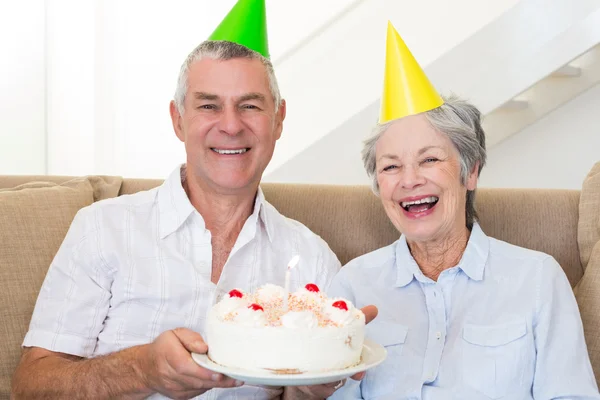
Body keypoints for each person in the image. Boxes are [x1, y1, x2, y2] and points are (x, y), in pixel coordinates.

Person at [11, 1, 375, 399]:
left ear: (279, 119)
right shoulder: (102, 229)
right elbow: (30, 387)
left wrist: (314, 386)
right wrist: (141, 369)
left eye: (250, 106)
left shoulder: (311, 258)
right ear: (178, 119)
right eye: (208, 105)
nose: (231, 125)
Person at [328, 22, 600, 399]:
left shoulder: (537, 279)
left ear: (470, 171)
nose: (409, 180)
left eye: (429, 159)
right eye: (391, 167)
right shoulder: (352, 285)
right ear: (379, 187)